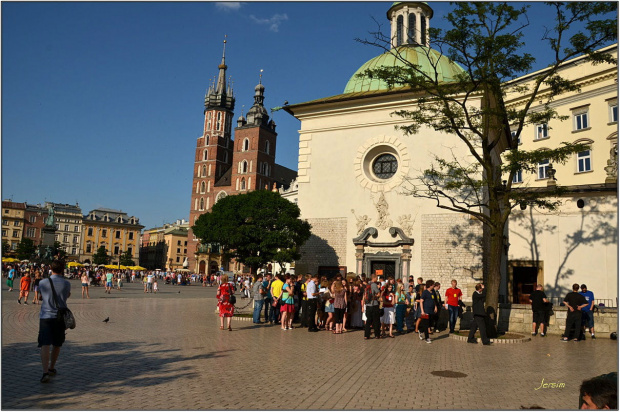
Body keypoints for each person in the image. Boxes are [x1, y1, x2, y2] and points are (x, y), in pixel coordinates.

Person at [38, 260, 71, 383]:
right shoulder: (66, 283)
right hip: (59, 317)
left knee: (45, 343)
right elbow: (67, 295)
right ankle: (52, 367)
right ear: (63, 269)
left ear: (50, 268)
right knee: (57, 343)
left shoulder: (43, 282)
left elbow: (41, 296)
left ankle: (45, 371)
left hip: (46, 316)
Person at [363, 274, 381, 340]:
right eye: (377, 278)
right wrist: (377, 294)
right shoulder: (374, 285)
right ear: (374, 278)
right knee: (376, 320)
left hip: (368, 305)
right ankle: (377, 335)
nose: (377, 279)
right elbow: (378, 294)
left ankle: (366, 335)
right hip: (374, 304)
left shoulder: (367, 284)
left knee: (368, 321)